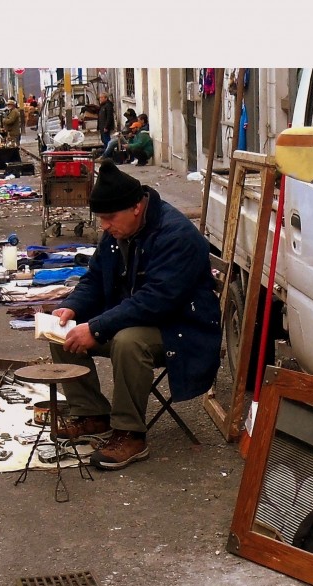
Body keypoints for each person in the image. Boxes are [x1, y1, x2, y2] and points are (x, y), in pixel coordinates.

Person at [48, 160, 222, 470]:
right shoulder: (119, 231)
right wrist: (73, 307)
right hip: (139, 315)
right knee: (62, 331)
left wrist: (98, 327)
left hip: (182, 327)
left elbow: (155, 302)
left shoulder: (175, 235)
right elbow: (94, 279)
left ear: (136, 208)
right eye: (100, 218)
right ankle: (92, 415)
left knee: (128, 342)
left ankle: (130, 434)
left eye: (109, 218)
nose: (104, 226)